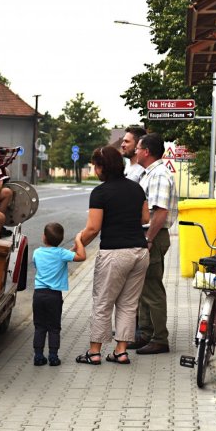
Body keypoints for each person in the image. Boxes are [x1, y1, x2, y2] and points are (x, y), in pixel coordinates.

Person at [75, 147, 150, 365]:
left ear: (102, 167)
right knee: (128, 304)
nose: (94, 170)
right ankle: (121, 351)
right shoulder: (136, 189)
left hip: (115, 253)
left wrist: (78, 241)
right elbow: (144, 217)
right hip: (139, 251)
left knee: (103, 302)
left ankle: (94, 352)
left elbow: (93, 228)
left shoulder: (100, 193)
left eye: (95, 166)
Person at [128, 133, 178, 355]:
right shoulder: (150, 173)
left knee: (152, 289)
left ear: (146, 151)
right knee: (145, 288)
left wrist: (148, 239)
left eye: (138, 148)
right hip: (149, 235)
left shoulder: (158, 175)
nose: (136, 151)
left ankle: (159, 338)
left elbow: (160, 211)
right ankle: (146, 333)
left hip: (153, 236)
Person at [32, 223, 85, 366]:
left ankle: (38, 356)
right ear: (61, 239)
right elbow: (82, 256)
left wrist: (70, 251)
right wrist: (78, 241)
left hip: (39, 294)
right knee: (54, 327)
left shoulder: (37, 252)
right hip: (54, 296)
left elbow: (42, 263)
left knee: (39, 326)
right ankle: (53, 357)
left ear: (44, 237)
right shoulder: (62, 254)